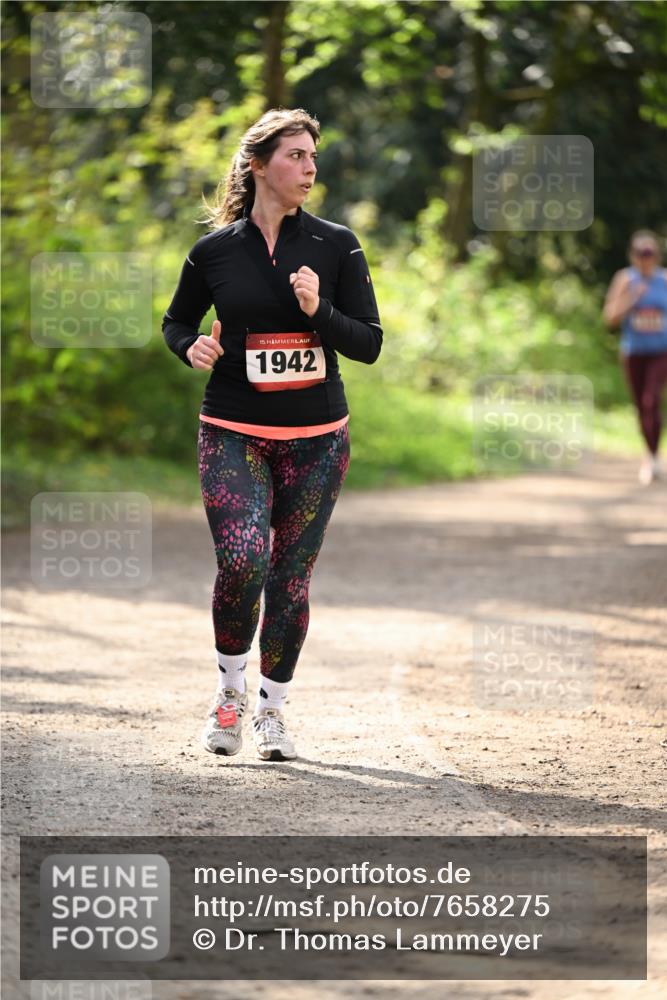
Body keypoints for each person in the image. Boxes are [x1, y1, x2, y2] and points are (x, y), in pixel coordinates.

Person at [162, 108, 382, 760]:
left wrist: (322, 311)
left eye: (313, 156)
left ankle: (271, 711)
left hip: (317, 438)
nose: (309, 167)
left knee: (289, 577)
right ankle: (229, 695)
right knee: (242, 560)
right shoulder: (214, 251)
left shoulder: (335, 245)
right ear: (258, 165)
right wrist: (190, 347)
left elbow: (368, 344)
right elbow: (177, 322)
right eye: (295, 155)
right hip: (232, 428)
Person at [603, 230, 667, 484]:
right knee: (641, 405)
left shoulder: (665, 280)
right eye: (641, 253)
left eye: (650, 253)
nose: (645, 258)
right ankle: (649, 454)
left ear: (656, 255)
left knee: (652, 400)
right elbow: (609, 318)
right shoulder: (625, 280)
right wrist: (632, 299)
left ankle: (653, 457)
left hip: (661, 351)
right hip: (634, 351)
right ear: (633, 255)